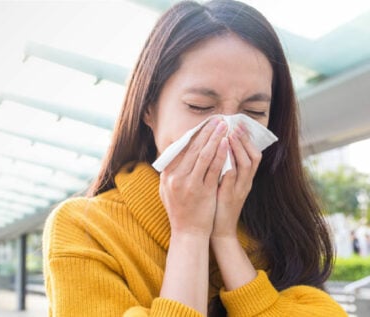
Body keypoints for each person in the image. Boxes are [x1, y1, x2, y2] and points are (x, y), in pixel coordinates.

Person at [42, 0, 347, 316]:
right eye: (201, 106)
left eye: (254, 113)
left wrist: (225, 238)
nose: (226, 131)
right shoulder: (86, 228)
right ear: (149, 107)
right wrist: (190, 235)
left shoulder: (279, 224)